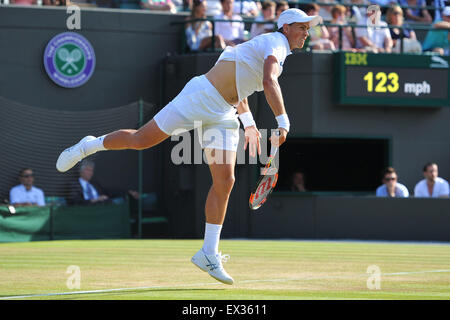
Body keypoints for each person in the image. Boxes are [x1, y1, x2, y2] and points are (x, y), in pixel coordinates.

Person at [56, 8, 321, 285]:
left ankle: (208, 252)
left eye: (308, 28)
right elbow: (268, 81)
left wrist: (250, 124)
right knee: (140, 140)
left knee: (225, 180)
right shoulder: (275, 43)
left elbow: (239, 87)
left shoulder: (259, 48)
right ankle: (90, 145)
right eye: (302, 27)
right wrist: (283, 122)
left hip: (223, 113)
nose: (306, 33)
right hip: (200, 97)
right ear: (286, 27)